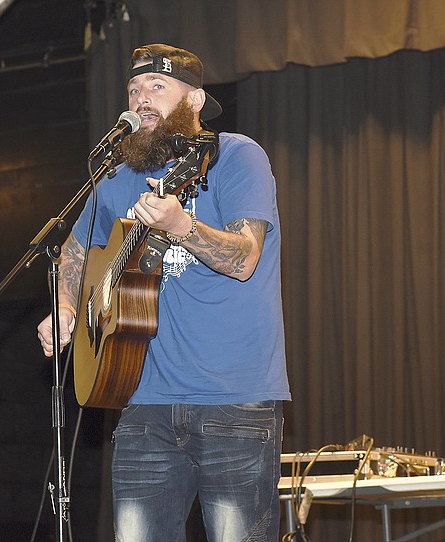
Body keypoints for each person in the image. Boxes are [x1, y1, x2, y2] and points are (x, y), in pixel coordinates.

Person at [36, 44, 290, 541]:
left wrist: (181, 224)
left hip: (233, 403)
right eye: (134, 89)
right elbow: (74, 251)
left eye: (157, 87)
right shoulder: (115, 176)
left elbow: (244, 258)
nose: (141, 98)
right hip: (140, 401)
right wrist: (66, 305)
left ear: (194, 100)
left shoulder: (236, 156)